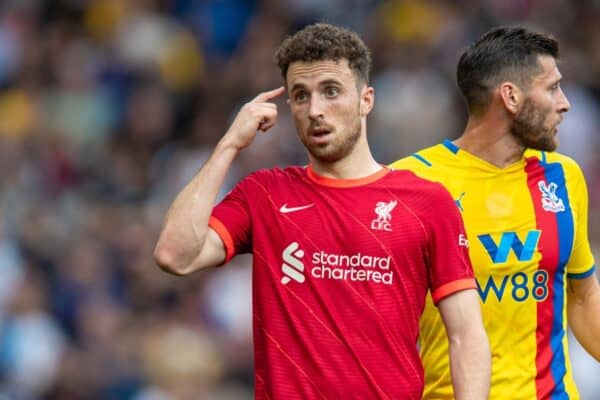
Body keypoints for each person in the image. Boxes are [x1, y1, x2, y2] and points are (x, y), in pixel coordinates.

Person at [154, 23, 490, 399]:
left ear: (367, 99)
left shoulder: (427, 203)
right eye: (300, 95)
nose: (315, 110)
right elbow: (174, 255)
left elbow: (466, 335)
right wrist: (229, 144)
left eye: (331, 92)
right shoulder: (264, 194)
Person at [391, 26, 600, 399]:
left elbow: (582, 296)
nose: (565, 102)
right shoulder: (409, 183)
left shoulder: (563, 177)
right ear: (511, 97)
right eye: (551, 88)